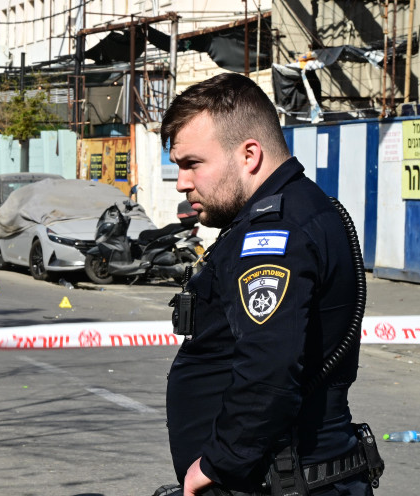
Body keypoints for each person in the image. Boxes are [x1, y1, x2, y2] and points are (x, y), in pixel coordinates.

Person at [160, 73, 373, 496]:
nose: (182, 182)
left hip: (280, 479)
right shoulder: (303, 208)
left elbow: (268, 367)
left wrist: (221, 462)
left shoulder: (271, 235)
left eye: (191, 164)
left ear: (249, 155)